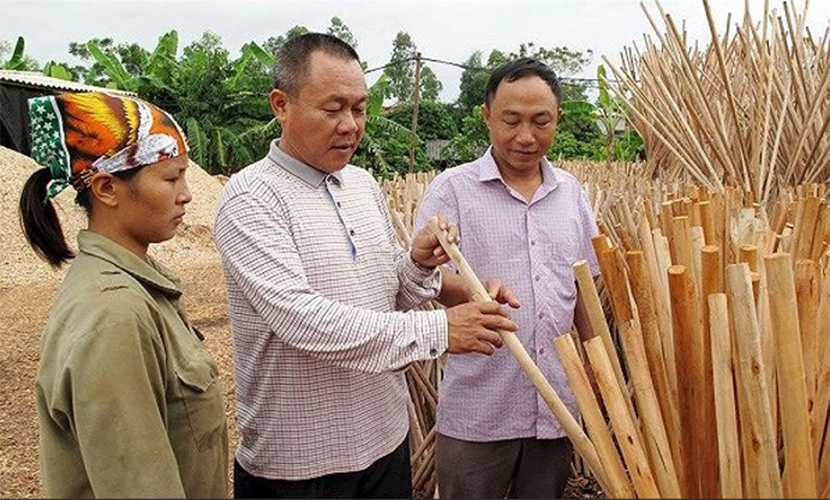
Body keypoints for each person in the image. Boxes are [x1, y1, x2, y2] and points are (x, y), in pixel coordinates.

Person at [213, 33, 519, 499]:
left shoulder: (360, 184)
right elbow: (301, 320)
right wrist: (440, 330)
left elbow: (386, 290)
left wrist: (416, 264)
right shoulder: (251, 197)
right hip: (299, 465)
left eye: (359, 109)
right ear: (281, 105)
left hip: (385, 443)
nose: (350, 126)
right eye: (333, 109)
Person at [19, 91, 228, 498]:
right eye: (171, 178)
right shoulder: (114, 314)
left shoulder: (134, 287)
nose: (186, 194)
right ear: (107, 189)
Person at [413, 57, 601, 499]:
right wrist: (474, 290)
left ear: (558, 119)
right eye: (511, 120)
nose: (526, 136)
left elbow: (584, 287)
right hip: (480, 406)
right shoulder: (452, 190)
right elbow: (424, 278)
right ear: (486, 116)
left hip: (556, 403)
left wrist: (596, 367)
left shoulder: (570, 193)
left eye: (541, 121)